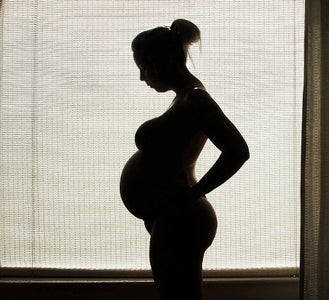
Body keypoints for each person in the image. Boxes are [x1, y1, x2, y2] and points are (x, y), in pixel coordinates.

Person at [120, 19, 249, 300]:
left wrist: (193, 195)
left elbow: (238, 151)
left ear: (162, 61)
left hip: (182, 219)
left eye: (143, 67)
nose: (142, 77)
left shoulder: (196, 99)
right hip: (171, 217)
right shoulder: (184, 98)